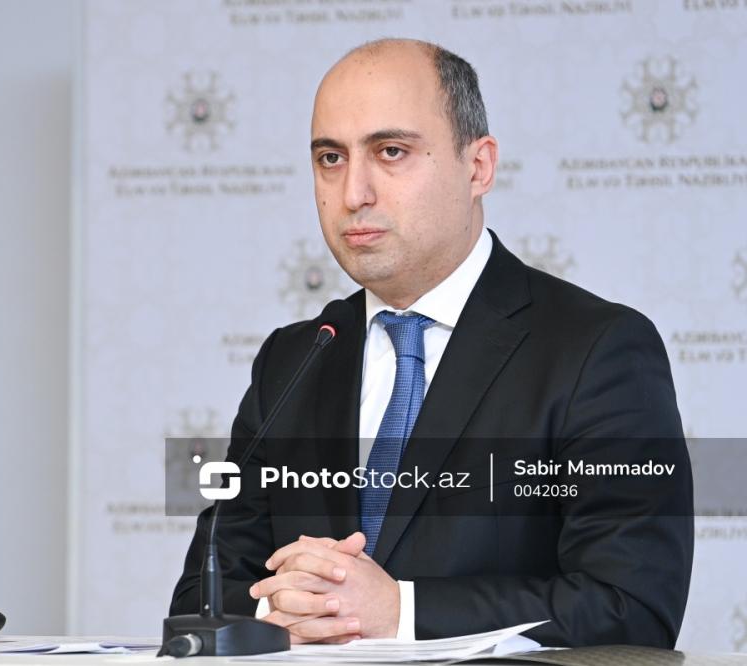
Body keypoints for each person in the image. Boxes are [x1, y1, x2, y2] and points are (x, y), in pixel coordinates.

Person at [169, 38, 693, 648]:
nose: (354, 194)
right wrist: (285, 609)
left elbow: (631, 607)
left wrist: (400, 612)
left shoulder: (597, 350)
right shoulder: (294, 360)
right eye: (331, 158)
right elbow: (203, 597)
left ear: (478, 167)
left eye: (391, 152)